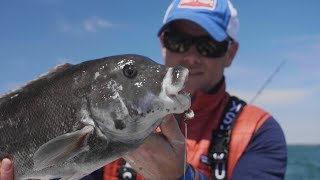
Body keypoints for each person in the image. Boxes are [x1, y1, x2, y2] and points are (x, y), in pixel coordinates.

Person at [0, 0, 287, 179]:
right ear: (163, 43)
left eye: (209, 45)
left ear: (231, 52)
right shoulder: (115, 126)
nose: (190, 56)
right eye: (178, 40)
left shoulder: (259, 133)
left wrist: (182, 179)